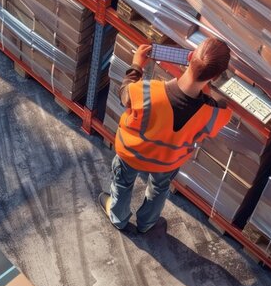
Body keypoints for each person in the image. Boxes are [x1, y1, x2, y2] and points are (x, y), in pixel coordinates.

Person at [98, 37, 233, 233]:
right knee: (159, 188)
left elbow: (124, 93)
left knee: (123, 182)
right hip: (167, 161)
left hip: (132, 153)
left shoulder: (147, 91)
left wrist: (136, 65)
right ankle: (147, 223)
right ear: (216, 77)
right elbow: (222, 106)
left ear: (189, 57)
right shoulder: (213, 112)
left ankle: (118, 218)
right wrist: (207, 89)